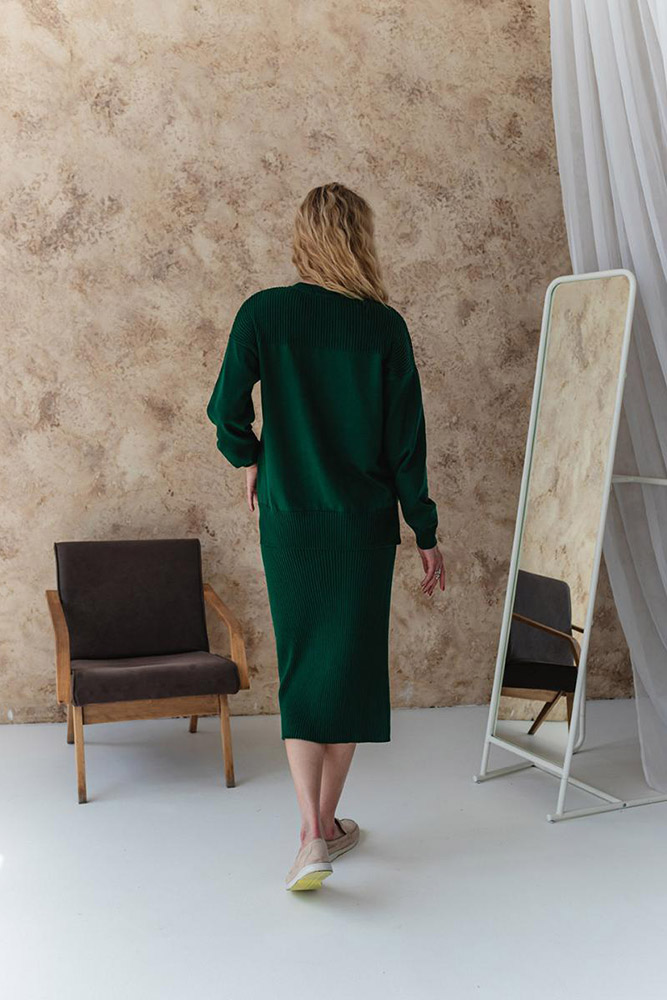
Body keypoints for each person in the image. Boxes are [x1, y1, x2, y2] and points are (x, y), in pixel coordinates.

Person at [207, 182, 445, 891]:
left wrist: (251, 458)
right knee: (348, 671)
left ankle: (313, 834)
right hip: (363, 526)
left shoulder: (264, 313)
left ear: (303, 238)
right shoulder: (383, 328)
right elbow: (406, 446)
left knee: (304, 667)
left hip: (290, 520)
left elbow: (225, 411)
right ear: (360, 239)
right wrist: (424, 530)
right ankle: (323, 829)